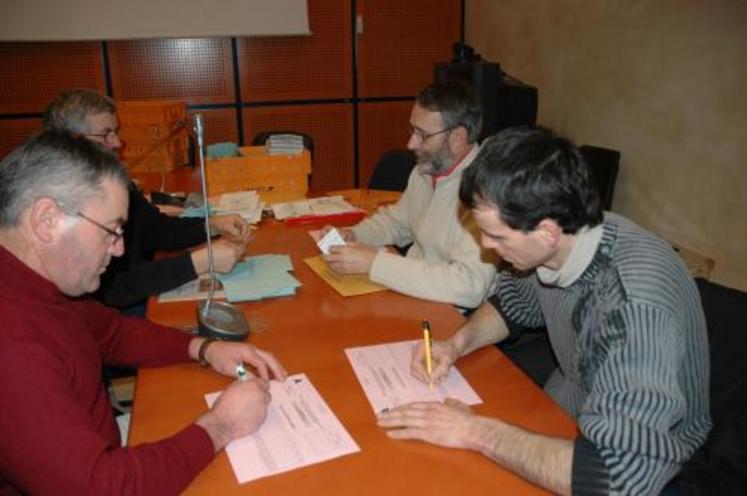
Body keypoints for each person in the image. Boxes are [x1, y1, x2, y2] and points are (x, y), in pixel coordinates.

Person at [377, 127, 711, 495]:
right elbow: (514, 304)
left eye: (497, 236)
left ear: (547, 232)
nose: (486, 247)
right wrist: (457, 344)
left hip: (645, 469)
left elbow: (618, 476)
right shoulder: (559, 241)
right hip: (567, 411)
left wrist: (473, 430)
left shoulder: (635, 307)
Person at [0, 131, 286, 494]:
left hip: (98, 447)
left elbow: (112, 333)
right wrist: (222, 425)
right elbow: (102, 487)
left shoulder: (41, 283)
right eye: (111, 230)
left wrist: (204, 349)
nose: (119, 249)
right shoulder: (11, 344)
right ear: (47, 220)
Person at [43, 89, 250, 312]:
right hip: (113, 313)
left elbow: (155, 229)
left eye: (116, 132)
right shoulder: (64, 206)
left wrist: (211, 225)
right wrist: (199, 262)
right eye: (105, 135)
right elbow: (112, 291)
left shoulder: (113, 179)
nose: (117, 143)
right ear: (69, 142)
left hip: (139, 292)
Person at [316, 81, 496, 309]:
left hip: (453, 314)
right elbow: (397, 223)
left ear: (458, 137)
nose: (411, 143)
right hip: (413, 296)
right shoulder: (426, 169)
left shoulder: (488, 190)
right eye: (413, 130)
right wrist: (354, 235)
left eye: (423, 135)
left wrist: (374, 264)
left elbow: (469, 287)